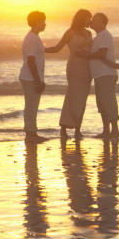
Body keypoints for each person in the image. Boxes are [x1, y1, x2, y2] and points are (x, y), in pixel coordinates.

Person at [46, 9, 93, 140]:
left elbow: (94, 50)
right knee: (72, 97)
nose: (90, 21)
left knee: (82, 100)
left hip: (87, 68)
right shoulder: (70, 32)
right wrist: (40, 49)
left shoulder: (89, 33)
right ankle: (63, 128)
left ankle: (78, 129)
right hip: (74, 67)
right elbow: (57, 48)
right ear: (81, 19)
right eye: (88, 18)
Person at [88, 12, 119, 139]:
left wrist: (85, 55)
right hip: (100, 74)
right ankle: (106, 130)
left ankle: (115, 130)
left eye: (94, 20)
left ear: (102, 22)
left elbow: (101, 54)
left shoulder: (103, 35)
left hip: (106, 73)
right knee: (102, 103)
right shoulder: (100, 36)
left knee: (108, 102)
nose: (91, 22)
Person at [19, 10, 47, 143]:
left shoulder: (35, 37)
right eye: (43, 21)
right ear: (36, 22)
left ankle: (32, 132)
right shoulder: (32, 38)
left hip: (31, 77)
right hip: (30, 78)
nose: (45, 24)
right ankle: (30, 134)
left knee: (32, 105)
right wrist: (38, 81)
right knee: (31, 106)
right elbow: (31, 61)